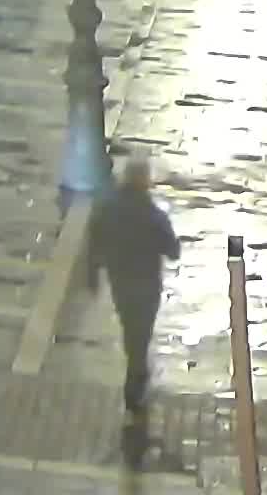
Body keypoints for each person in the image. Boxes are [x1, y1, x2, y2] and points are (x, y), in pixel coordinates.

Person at [86, 153, 181, 424]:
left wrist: (92, 275)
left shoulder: (107, 208)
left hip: (120, 282)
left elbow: (94, 241)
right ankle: (135, 385)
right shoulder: (154, 216)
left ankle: (137, 377)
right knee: (141, 335)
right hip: (147, 286)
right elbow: (173, 251)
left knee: (131, 330)